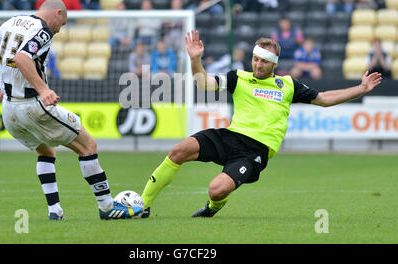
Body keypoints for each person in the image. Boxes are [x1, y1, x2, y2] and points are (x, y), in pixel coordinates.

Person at [139, 30, 382, 219]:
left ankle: (213, 206)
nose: (257, 65)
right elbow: (203, 83)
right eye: (255, 59)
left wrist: (361, 88)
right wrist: (195, 60)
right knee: (178, 151)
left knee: (216, 190)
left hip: (254, 151)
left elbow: (325, 99)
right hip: (230, 136)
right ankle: (143, 205)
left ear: (274, 63)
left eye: (263, 62)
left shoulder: (288, 85)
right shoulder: (239, 78)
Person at [0, 0, 142, 220]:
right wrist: (44, 89)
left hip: (8, 109)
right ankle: (107, 207)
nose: (58, 31)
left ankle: (54, 211)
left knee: (46, 151)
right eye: (62, 24)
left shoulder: (11, 21)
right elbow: (21, 58)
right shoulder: (43, 29)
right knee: (88, 146)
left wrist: (3, 84)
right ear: (57, 13)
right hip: (32, 105)